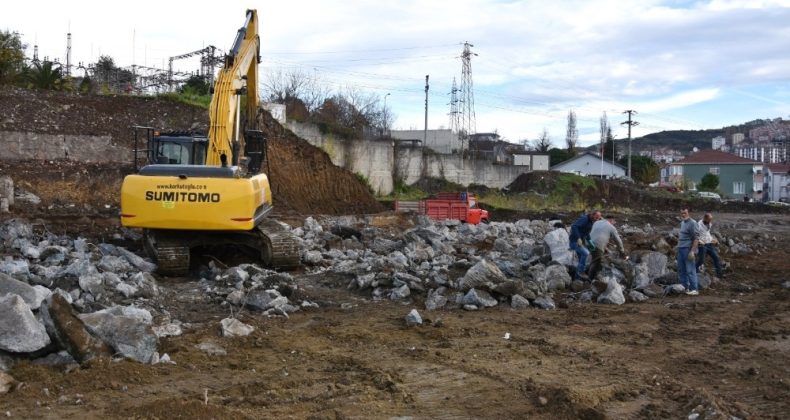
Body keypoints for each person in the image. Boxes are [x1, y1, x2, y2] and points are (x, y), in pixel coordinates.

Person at [587, 215, 627, 282]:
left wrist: (605, 246)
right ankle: (590, 280)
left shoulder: (597, 222)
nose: (614, 223)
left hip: (589, 242)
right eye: (614, 222)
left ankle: (586, 270)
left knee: (592, 257)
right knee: (596, 262)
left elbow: (598, 233)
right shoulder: (611, 227)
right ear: (611, 220)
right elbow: (618, 241)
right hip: (597, 245)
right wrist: (622, 252)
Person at [568, 210, 602, 280]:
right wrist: (578, 238)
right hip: (574, 242)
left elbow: (587, 233)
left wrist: (591, 243)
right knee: (586, 253)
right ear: (592, 214)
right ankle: (581, 271)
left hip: (580, 242)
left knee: (581, 259)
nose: (597, 219)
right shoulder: (584, 219)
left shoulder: (591, 222)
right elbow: (574, 226)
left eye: (598, 218)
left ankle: (577, 279)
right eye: (596, 217)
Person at [677, 207, 701, 295]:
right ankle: (684, 287)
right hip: (680, 248)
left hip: (687, 249)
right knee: (682, 270)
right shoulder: (682, 223)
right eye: (682, 213)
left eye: (685, 213)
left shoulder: (693, 223)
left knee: (690, 270)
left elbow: (696, 238)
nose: (683, 215)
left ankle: (694, 289)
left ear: (688, 213)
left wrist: (692, 251)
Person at [696, 213, 724, 278]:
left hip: (709, 244)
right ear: (705, 218)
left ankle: (719, 275)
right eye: (709, 219)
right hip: (702, 245)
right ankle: (694, 270)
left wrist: (713, 240)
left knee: (716, 258)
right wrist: (699, 241)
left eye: (711, 219)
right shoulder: (698, 225)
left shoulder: (709, 224)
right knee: (701, 261)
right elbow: (695, 235)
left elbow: (707, 234)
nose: (710, 221)